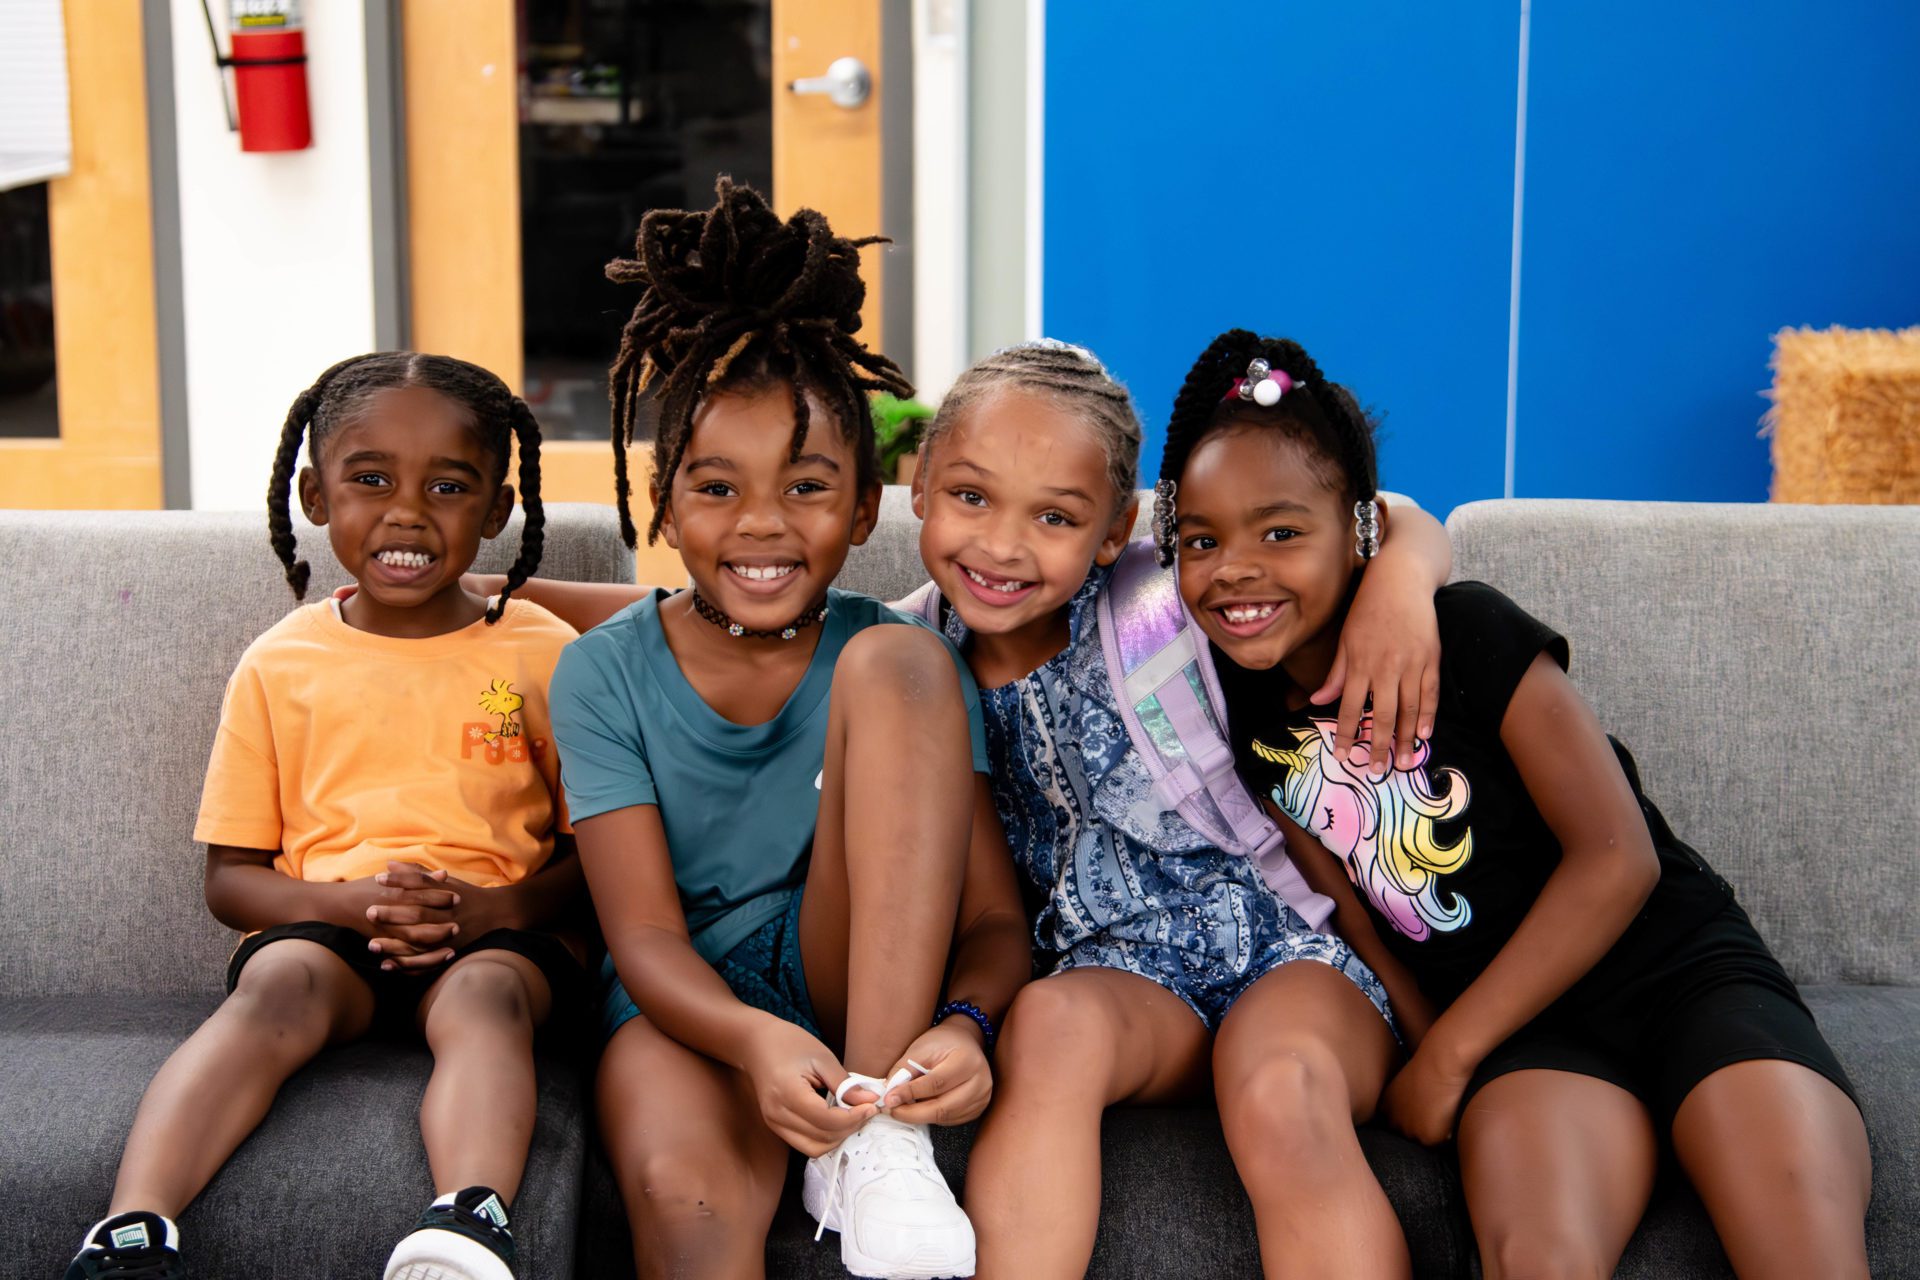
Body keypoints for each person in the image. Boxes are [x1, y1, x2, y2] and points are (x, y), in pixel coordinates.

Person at [1165, 328, 1873, 1279]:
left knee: (1800, 1244)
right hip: (1528, 1037)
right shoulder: (1236, 712)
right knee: (1537, 1255)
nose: (1236, 566)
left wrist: (1448, 1057)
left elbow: (1619, 859)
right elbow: (1349, 913)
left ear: (1361, 532)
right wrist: (1431, 1047)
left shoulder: (1467, 630)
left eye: (1281, 532)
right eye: (1203, 540)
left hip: (1681, 979)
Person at [548, 179, 1028, 1280]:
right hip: (684, 1003)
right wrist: (750, 1038)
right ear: (662, 504)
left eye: (807, 485)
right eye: (717, 488)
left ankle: (881, 1137)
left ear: (866, 507)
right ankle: (833, 1129)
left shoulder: (902, 657)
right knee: (685, 1192)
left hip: (852, 976)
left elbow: (996, 921)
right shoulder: (603, 674)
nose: (762, 521)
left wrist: (964, 1022)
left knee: (900, 656)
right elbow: (647, 940)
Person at [903, 339, 1454, 1278]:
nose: (1001, 545)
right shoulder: (903, 652)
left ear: (1115, 532)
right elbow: (703, 621)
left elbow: (1385, 516)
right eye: (971, 498)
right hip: (1121, 978)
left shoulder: (1167, 593)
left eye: (1054, 516)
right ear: (918, 487)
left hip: (1289, 953)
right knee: (1048, 1028)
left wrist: (1402, 582)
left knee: (1279, 1085)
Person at [65, 353, 587, 1280]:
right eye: (371, 479)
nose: (407, 513)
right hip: (330, 926)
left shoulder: (545, 650)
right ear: (316, 494)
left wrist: (492, 911)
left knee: (485, 1001)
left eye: (449, 485)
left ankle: (470, 1224)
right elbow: (231, 880)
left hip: (499, 929)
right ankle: (132, 1230)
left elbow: (599, 858)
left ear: (498, 511)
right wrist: (353, 906)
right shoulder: (282, 662)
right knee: (275, 990)